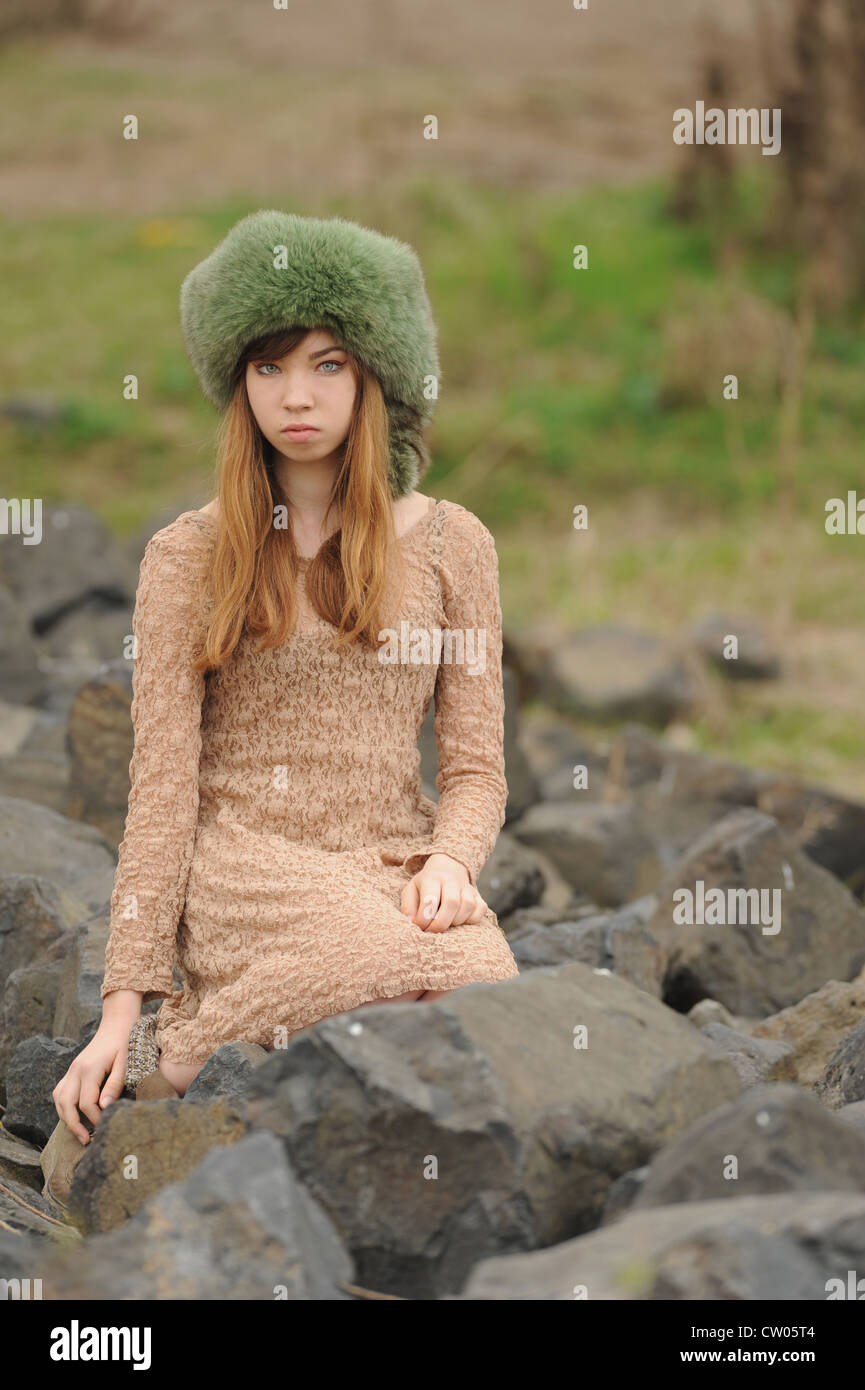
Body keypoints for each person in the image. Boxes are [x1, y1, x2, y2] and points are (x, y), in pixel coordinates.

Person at [43, 210, 518, 1202]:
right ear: (236, 384)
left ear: (375, 376)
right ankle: (186, 1056)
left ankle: (306, 1152)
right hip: (244, 858)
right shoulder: (187, 554)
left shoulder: (453, 542)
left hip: (388, 853)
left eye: (327, 364)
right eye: (267, 369)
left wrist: (449, 860)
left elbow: (473, 770)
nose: (294, 397)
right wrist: (119, 1013)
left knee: (486, 980)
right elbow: (162, 789)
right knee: (389, 963)